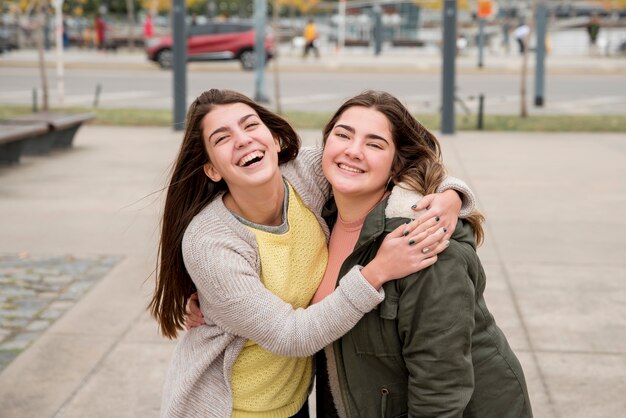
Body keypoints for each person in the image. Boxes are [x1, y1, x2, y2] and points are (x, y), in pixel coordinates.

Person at [151, 89, 476, 417]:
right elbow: (290, 336)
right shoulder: (210, 243)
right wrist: (377, 271)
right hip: (233, 408)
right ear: (212, 170)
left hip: (295, 403)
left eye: (250, 125)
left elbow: (390, 160)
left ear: (275, 140)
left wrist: (451, 196)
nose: (242, 140)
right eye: (222, 138)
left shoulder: (306, 173)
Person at [311, 91, 532, 417]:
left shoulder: (422, 242)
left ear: (396, 163)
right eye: (343, 135)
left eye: (374, 144)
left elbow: (439, 388)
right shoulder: (315, 218)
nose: (353, 150)